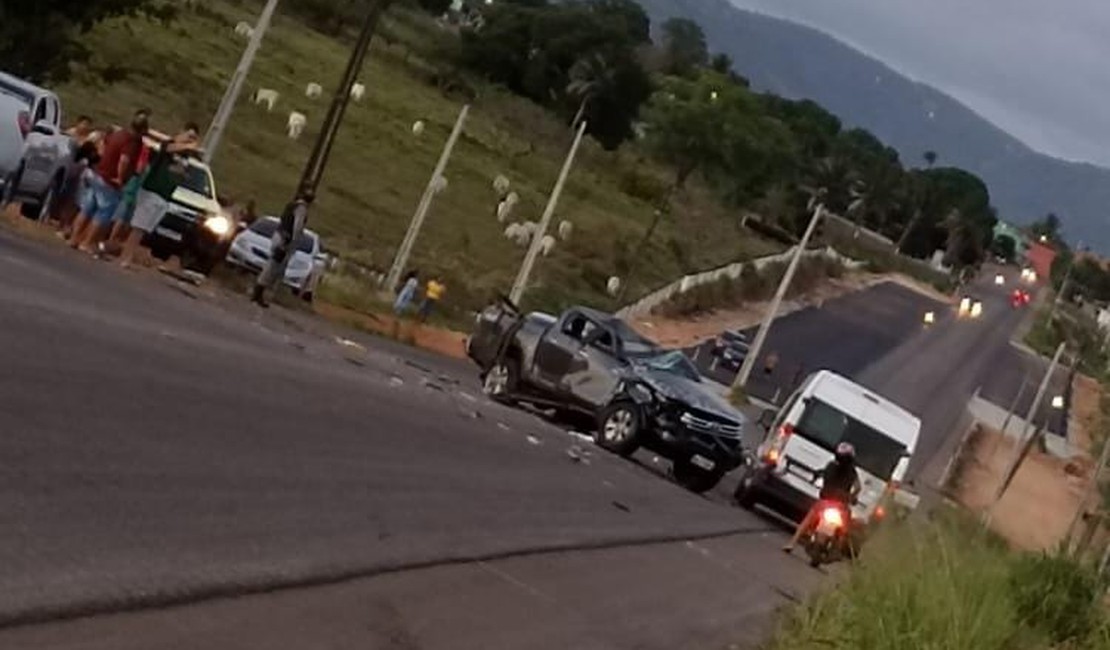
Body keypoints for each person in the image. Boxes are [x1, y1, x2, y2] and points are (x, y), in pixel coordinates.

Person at [118, 127, 201, 269]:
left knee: (143, 230)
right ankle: (125, 257)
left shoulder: (186, 156)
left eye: (193, 138)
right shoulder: (168, 145)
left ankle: (128, 256)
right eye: (188, 136)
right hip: (152, 191)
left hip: (165, 197)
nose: (190, 140)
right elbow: (168, 148)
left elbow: (181, 172)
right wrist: (185, 144)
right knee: (138, 228)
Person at [68, 109, 150, 252]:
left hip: (98, 173)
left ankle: (74, 239)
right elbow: (124, 160)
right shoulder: (132, 142)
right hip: (109, 181)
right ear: (142, 130)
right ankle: (86, 242)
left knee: (86, 209)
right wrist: (120, 178)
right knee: (103, 214)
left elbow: (103, 145)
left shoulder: (118, 134)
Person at [783, 442, 861, 553]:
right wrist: (852, 497)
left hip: (824, 502)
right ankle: (837, 549)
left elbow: (822, 476)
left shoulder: (831, 466)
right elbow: (858, 488)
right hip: (841, 505)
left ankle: (792, 543)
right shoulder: (853, 472)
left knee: (807, 521)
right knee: (845, 528)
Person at [252, 187, 314, 307]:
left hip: (278, 235)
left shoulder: (292, 205)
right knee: (272, 267)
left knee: (271, 265)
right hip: (284, 240)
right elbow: (297, 226)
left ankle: (258, 292)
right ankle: (258, 292)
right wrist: (293, 242)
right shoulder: (302, 209)